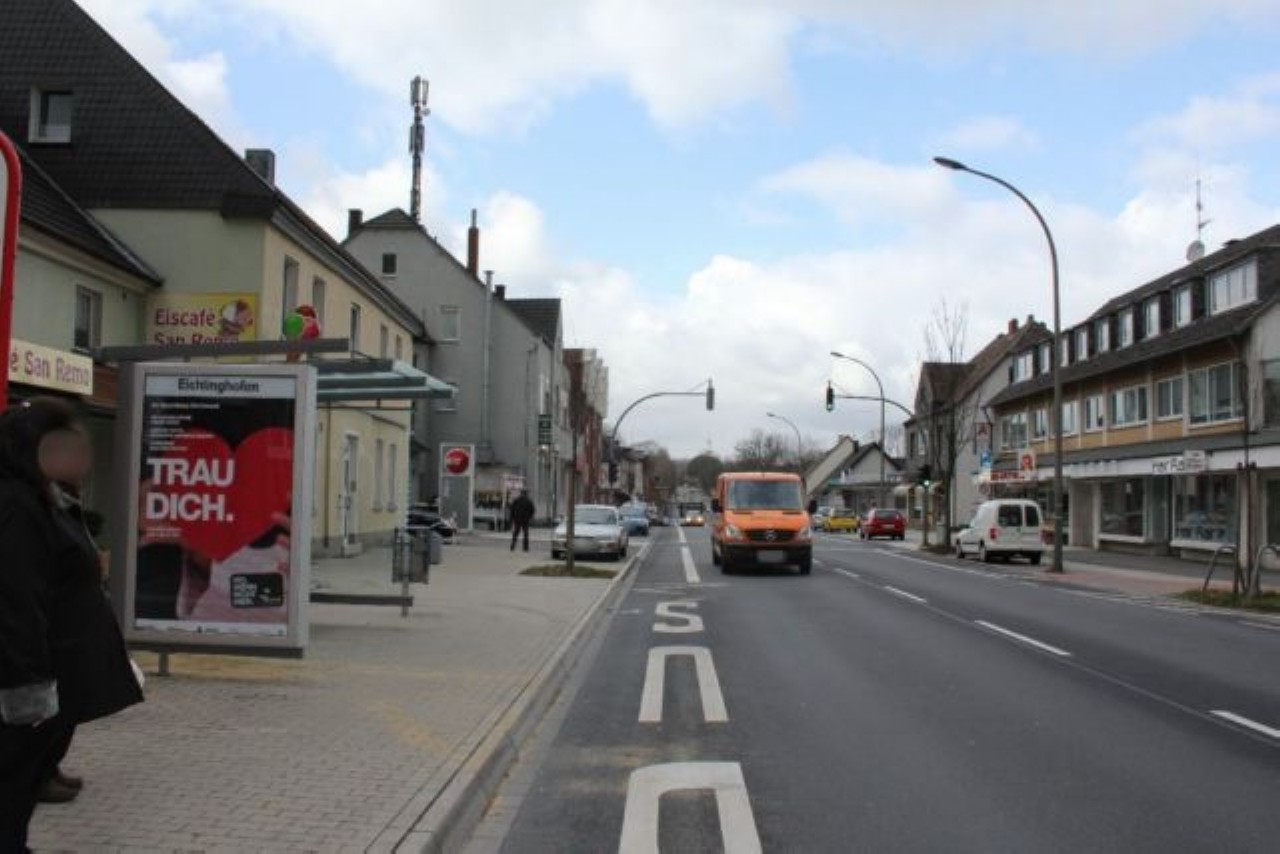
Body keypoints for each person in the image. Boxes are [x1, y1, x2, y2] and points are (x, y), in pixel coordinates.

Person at [0, 398, 144, 852]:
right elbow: (16, 600)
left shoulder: (45, 498)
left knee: (19, 790)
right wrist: (28, 690)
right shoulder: (17, 506)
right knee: (10, 789)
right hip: (29, 683)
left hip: (54, 677)